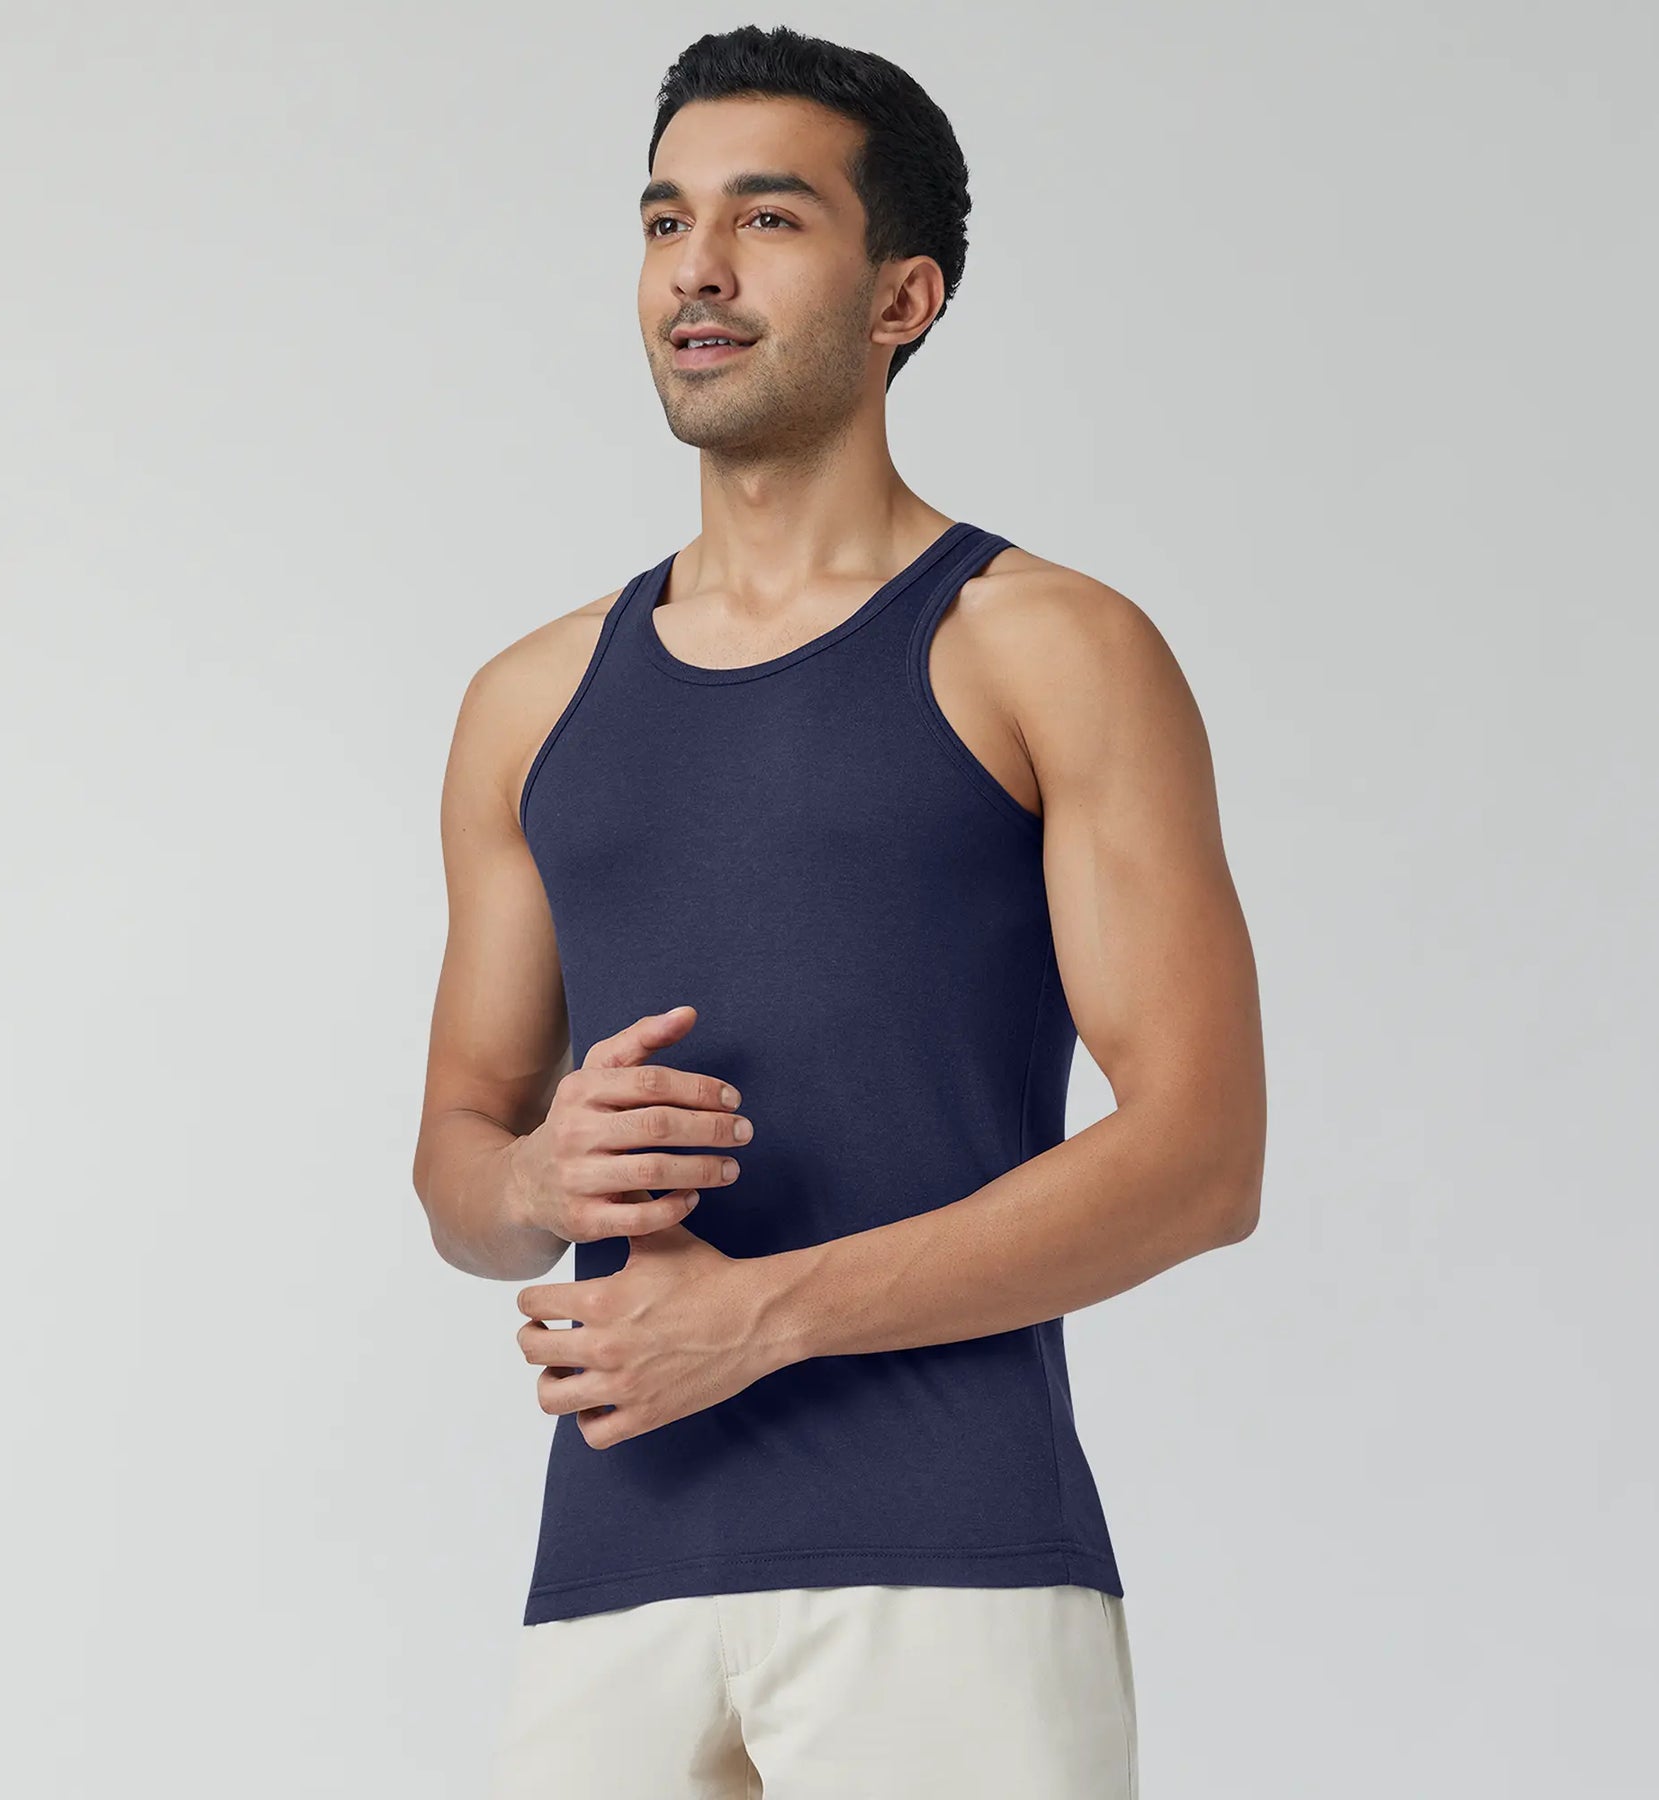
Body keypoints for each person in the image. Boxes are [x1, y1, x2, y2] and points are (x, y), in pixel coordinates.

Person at [411, 23, 1265, 1799]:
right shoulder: (530, 701)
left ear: (904, 297)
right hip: (613, 1581)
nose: (697, 269)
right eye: (666, 220)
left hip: (951, 1579)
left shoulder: (1048, 648)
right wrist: (536, 1181)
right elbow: (458, 1175)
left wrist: (764, 1313)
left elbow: (1202, 1157)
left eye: (769, 218)